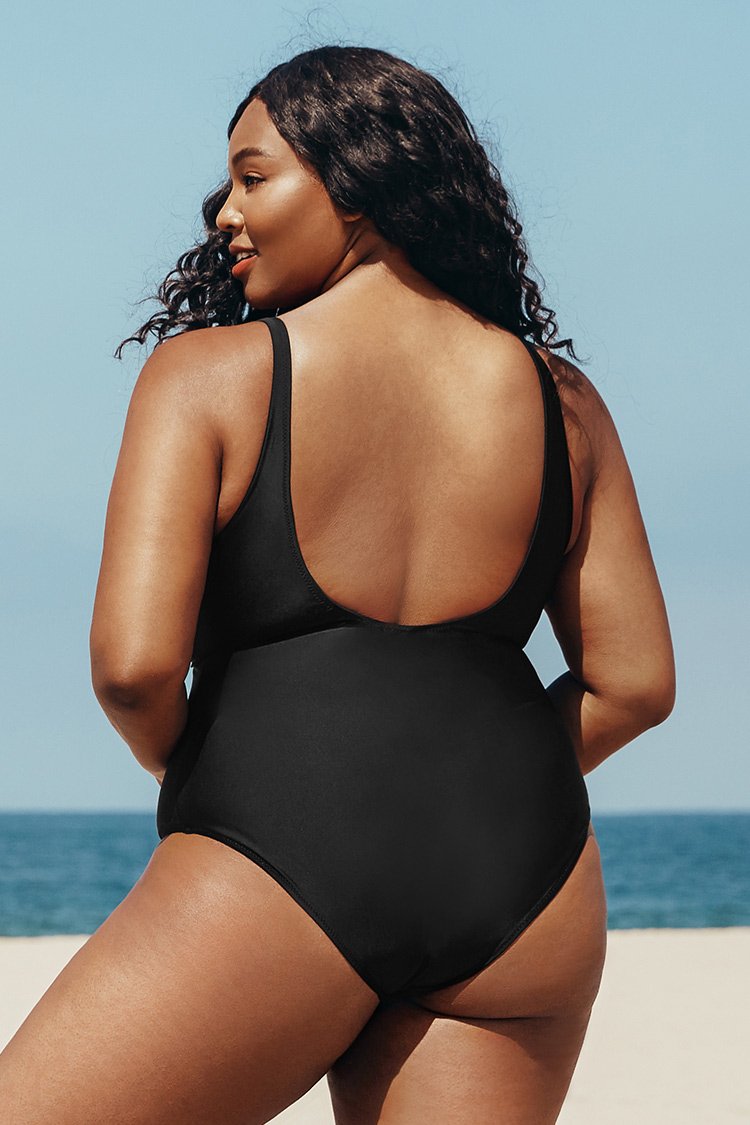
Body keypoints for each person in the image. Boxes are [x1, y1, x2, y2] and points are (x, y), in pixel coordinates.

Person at [0, 44, 675, 1125]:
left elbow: (132, 668)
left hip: (278, 849)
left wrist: (219, 774)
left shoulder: (209, 377)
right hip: (526, 881)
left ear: (356, 181)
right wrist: (462, 782)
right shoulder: (565, 404)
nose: (225, 212)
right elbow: (635, 683)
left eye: (253, 176)